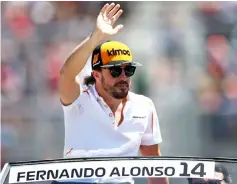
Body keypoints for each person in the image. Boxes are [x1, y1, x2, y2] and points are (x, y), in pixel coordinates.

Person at [58, 2, 168, 184]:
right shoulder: (79, 99)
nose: (123, 76)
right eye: (115, 71)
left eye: (129, 70)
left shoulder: (144, 106)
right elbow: (66, 73)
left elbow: (154, 162)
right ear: (97, 74)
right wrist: (96, 37)